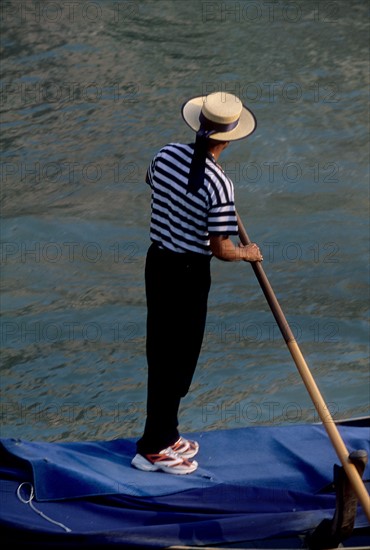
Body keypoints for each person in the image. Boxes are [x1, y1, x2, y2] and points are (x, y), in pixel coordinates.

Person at [131, 91, 263, 475]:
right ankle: (153, 448)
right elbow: (221, 249)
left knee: (163, 351)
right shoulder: (220, 186)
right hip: (188, 274)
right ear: (228, 138)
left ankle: (165, 433)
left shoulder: (166, 154)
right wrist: (247, 253)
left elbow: (152, 182)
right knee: (177, 360)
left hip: (157, 263)